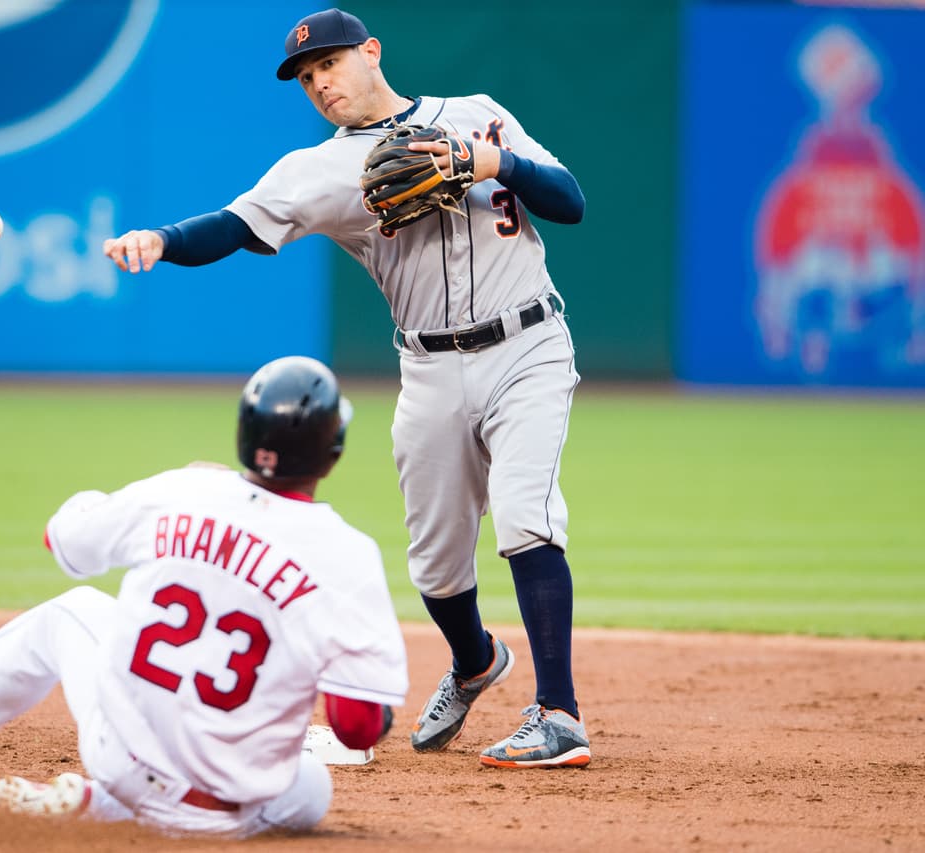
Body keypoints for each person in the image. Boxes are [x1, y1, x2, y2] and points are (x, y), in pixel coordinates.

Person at [101, 8, 590, 768]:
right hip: (428, 365)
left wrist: (492, 163)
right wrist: (161, 240)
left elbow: (570, 200)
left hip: (528, 344)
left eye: (328, 63)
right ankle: (474, 662)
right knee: (434, 561)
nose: (319, 83)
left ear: (371, 52)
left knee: (527, 514)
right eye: (305, 77)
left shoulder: (477, 116)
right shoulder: (316, 172)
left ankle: (558, 712)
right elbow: (232, 225)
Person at [0, 355, 408, 837]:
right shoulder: (349, 556)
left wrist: (143, 499)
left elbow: (61, 540)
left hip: (123, 762)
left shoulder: (185, 491)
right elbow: (357, 729)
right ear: (332, 453)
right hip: (232, 813)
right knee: (310, 786)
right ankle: (127, 808)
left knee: (71, 612)